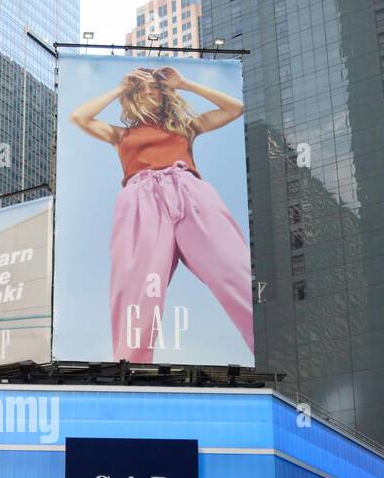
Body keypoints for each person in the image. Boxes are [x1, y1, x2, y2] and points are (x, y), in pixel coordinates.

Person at [70, 65, 251, 364]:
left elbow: (235, 107)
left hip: (190, 194)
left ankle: (270, 352)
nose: (150, 94)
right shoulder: (120, 135)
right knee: (137, 289)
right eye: (142, 90)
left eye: (156, 89)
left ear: (165, 96)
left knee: (235, 271)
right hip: (141, 201)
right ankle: (131, 370)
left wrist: (184, 83)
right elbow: (80, 117)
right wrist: (120, 86)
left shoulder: (186, 127)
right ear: (132, 98)